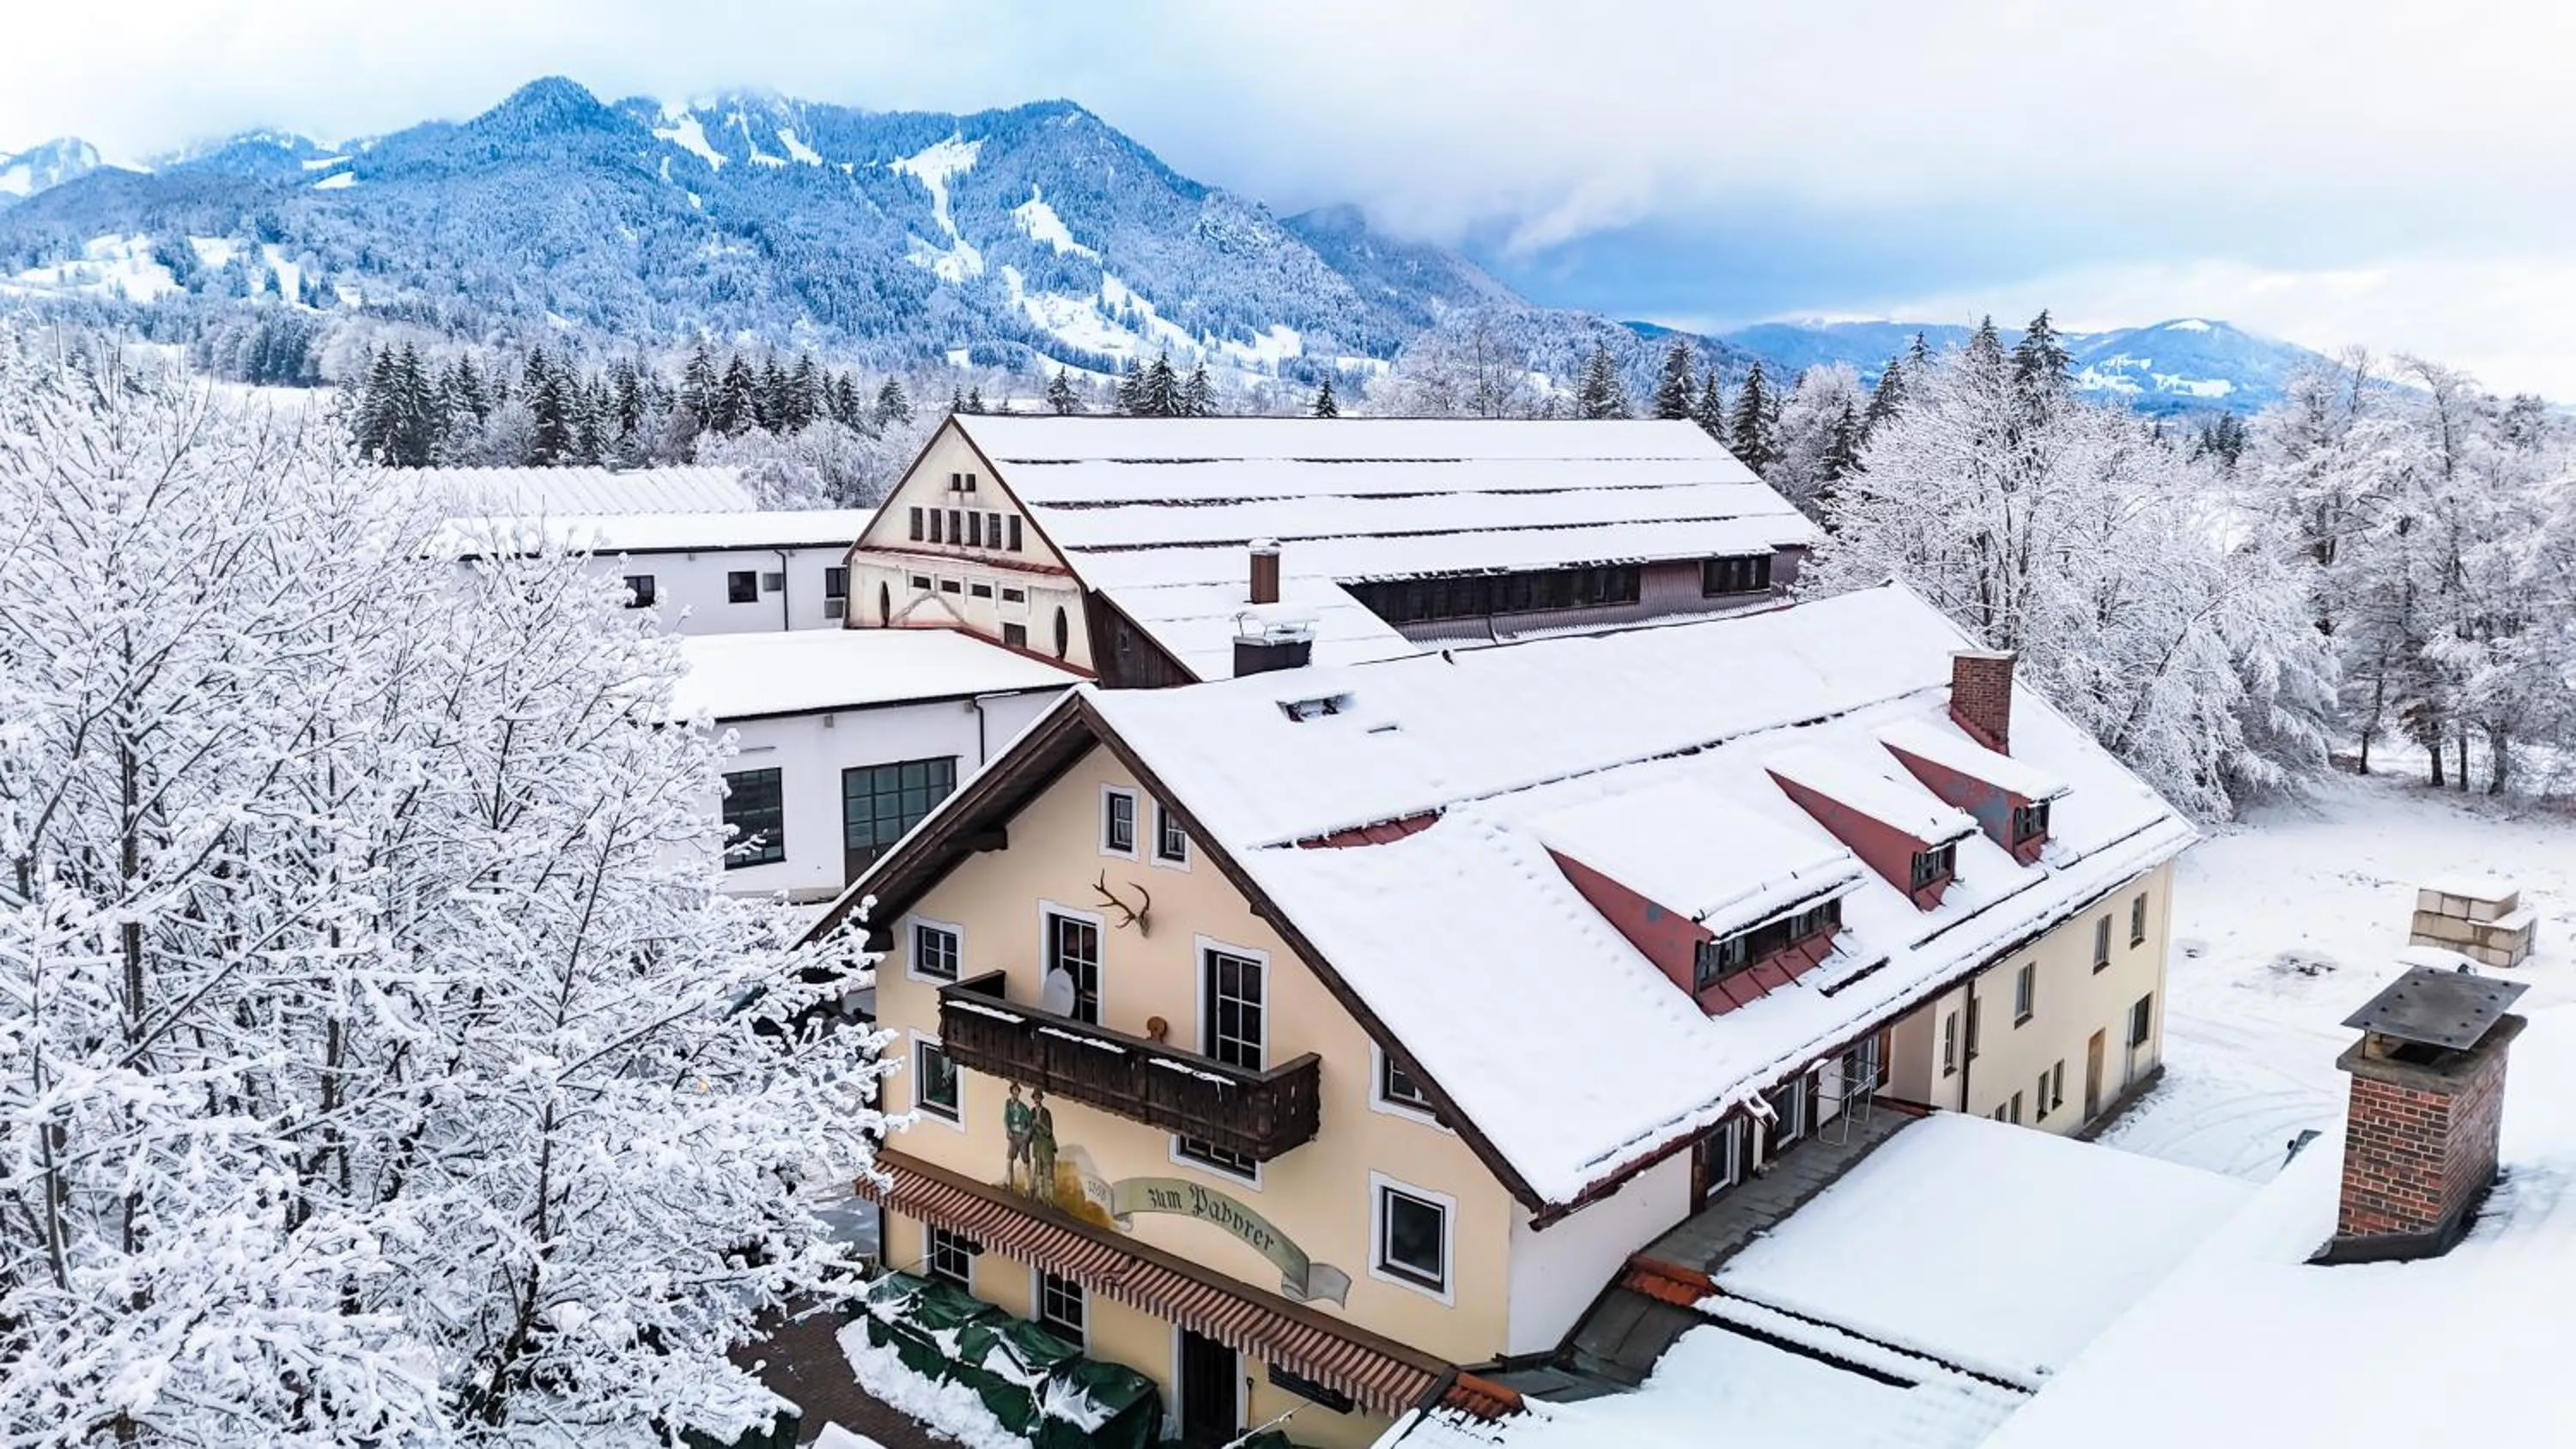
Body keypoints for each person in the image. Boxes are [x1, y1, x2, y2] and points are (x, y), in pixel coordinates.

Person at [1028, 1088, 1059, 1206]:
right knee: (1038, 1170)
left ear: (1041, 1099)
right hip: (1037, 1144)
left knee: (1049, 1170)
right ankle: (1040, 1196)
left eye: (1038, 1097)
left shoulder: (1046, 1112)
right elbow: (1029, 1128)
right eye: (1035, 1097)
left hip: (1046, 1144)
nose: (1037, 1099)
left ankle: (1050, 1198)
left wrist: (1039, 1124)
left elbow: (1049, 1131)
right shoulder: (1032, 1112)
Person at [1004, 1082, 1035, 1192]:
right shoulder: (1008, 1104)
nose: (1015, 1094)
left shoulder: (1023, 1108)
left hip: (1021, 1136)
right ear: (1011, 1092)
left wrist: (1026, 1135)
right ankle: (1009, 1182)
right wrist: (1008, 1130)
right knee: (1009, 1158)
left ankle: (1028, 1186)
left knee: (1025, 1160)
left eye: (1017, 1092)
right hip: (1013, 1135)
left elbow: (1029, 1123)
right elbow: (1006, 1118)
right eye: (1014, 1091)